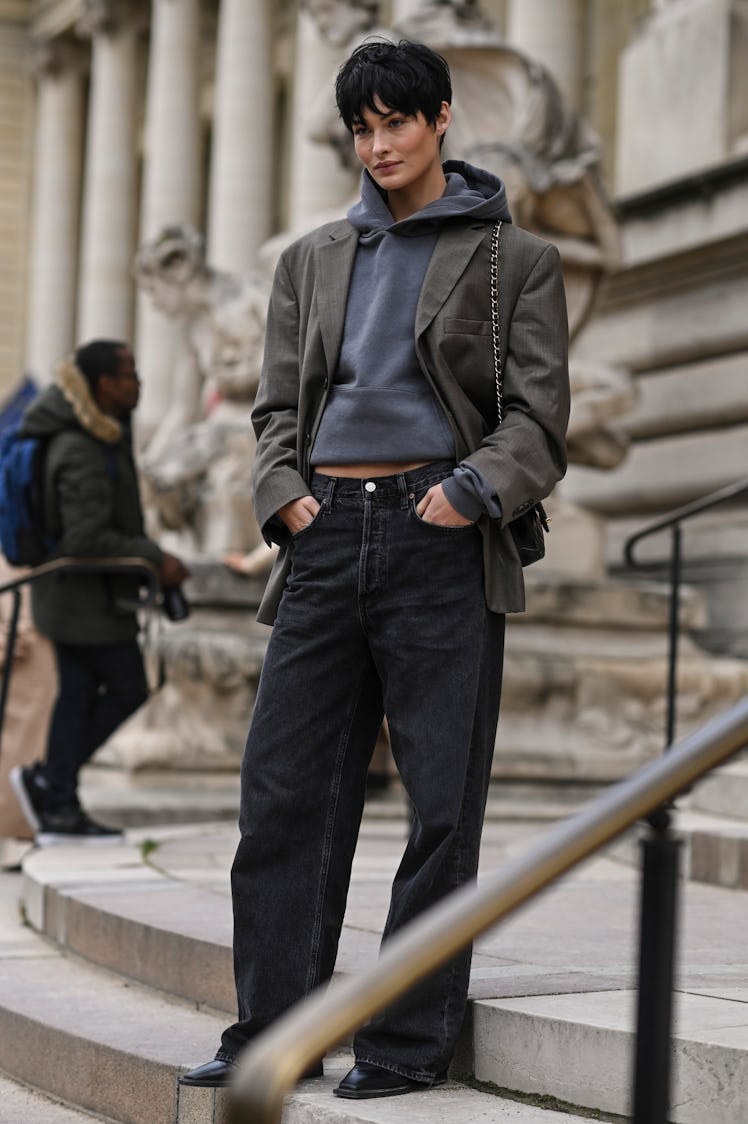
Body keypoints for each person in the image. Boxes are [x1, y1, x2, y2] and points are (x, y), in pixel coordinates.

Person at [181, 39, 569, 1098]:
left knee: (441, 804)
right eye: (362, 127)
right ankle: (274, 1026)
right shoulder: (312, 259)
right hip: (321, 536)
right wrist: (280, 494)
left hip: (437, 535)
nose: (378, 142)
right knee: (284, 793)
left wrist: (469, 492)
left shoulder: (512, 260)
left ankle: (403, 1041)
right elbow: (272, 411)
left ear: (442, 118)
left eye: (396, 120)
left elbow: (539, 421)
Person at [10, 340, 189, 846]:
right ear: (106, 385)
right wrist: (156, 559)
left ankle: (58, 798)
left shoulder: (100, 435)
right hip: (79, 601)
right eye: (129, 374)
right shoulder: (81, 446)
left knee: (80, 694)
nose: (139, 383)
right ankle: (50, 783)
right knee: (128, 684)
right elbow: (84, 537)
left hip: (80, 596)